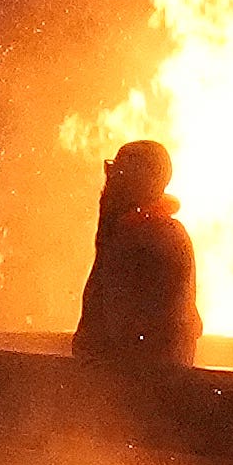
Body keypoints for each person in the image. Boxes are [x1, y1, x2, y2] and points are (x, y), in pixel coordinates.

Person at [73, 139, 203, 366]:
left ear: (143, 180)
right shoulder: (156, 231)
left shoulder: (142, 236)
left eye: (120, 170)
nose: (110, 177)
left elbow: (121, 327)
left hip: (130, 384)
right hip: (148, 382)